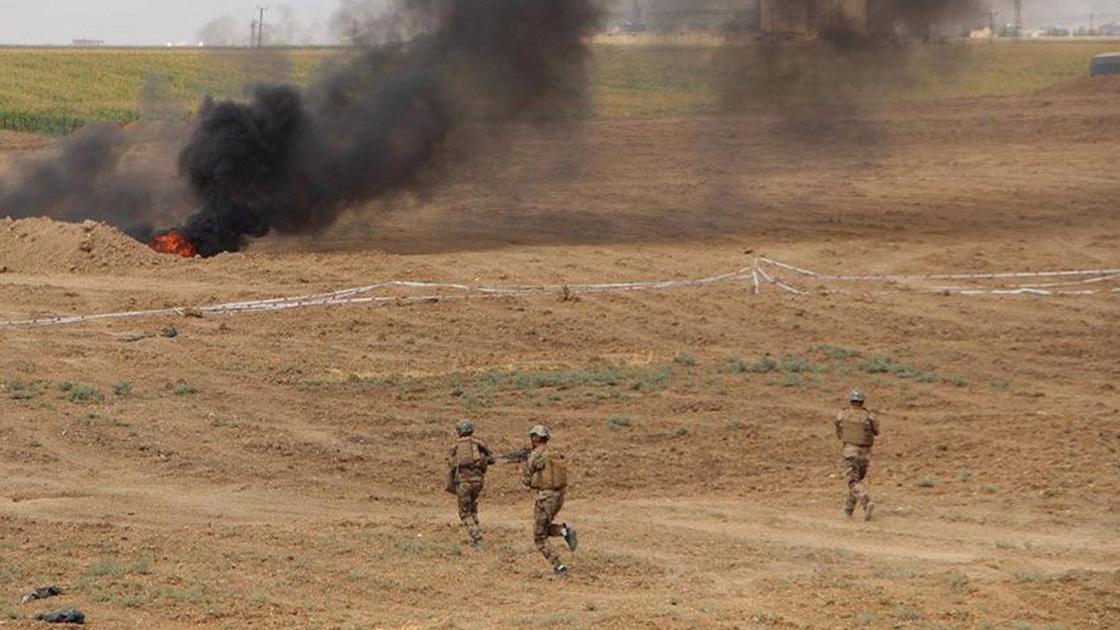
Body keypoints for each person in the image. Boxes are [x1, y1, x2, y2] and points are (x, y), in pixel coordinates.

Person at [521, 425, 577, 575]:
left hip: (545, 498)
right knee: (544, 528)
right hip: (558, 497)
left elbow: (525, 480)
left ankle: (559, 567)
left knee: (539, 537)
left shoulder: (536, 455)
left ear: (536, 438)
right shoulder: (554, 453)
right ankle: (564, 531)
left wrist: (524, 467)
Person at [446, 419, 494, 547]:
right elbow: (491, 459)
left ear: (459, 432)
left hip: (464, 483)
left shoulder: (455, 446)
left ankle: (478, 539)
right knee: (472, 507)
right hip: (478, 482)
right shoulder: (479, 443)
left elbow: (451, 464)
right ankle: (476, 535)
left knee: (465, 512)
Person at [834, 390, 880, 521]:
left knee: (853, 482)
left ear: (851, 401)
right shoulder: (869, 416)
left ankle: (866, 502)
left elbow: (838, 430)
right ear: (862, 401)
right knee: (856, 481)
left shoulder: (842, 414)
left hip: (849, 451)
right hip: (865, 454)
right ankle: (848, 510)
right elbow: (876, 431)